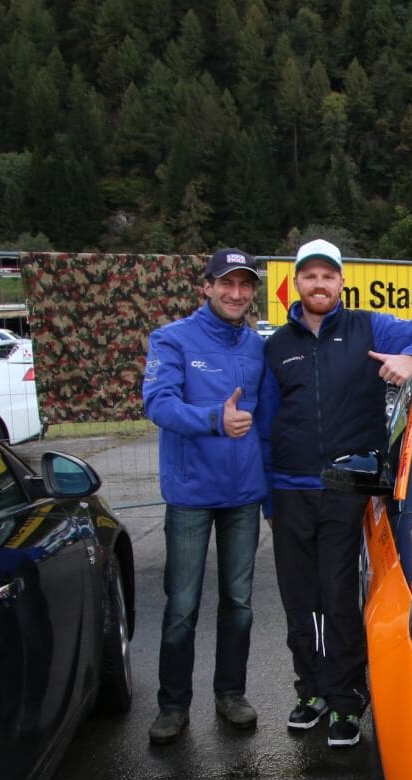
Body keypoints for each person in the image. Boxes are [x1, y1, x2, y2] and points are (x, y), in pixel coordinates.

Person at [258, 239, 412, 748]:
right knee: (299, 600)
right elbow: (265, 424)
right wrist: (266, 498)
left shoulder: (370, 326)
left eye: (328, 276)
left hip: (346, 487)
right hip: (289, 489)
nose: (319, 285)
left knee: (340, 595)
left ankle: (346, 699)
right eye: (309, 277)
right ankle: (311, 691)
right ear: (295, 285)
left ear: (342, 282)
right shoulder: (277, 345)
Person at [142, 248, 267, 744]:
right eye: (226, 283)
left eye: (244, 285)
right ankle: (173, 706)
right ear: (207, 287)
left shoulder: (257, 345)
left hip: (244, 496)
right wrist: (215, 419)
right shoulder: (171, 339)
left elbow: (269, 420)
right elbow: (159, 403)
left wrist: (273, 491)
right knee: (182, 604)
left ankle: (230, 695)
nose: (236, 293)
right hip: (191, 495)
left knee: (239, 602)